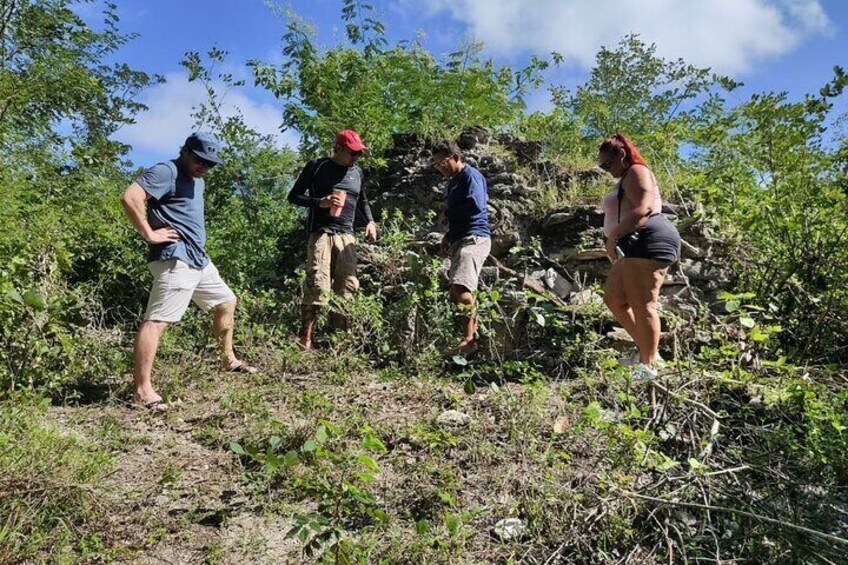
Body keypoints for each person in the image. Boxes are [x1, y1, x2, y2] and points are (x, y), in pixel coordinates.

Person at [121, 132, 257, 410]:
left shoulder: (197, 181)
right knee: (158, 321)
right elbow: (130, 196)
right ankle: (142, 390)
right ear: (184, 150)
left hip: (198, 259)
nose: (204, 167)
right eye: (199, 160)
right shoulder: (166, 171)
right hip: (176, 258)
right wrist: (149, 233)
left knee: (226, 301)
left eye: (210, 164)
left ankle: (227, 360)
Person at [598, 133, 681, 380]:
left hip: (647, 239)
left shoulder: (636, 170)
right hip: (632, 243)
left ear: (621, 155)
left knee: (643, 303)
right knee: (614, 298)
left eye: (607, 164)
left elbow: (644, 208)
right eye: (601, 166)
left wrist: (613, 238)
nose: (606, 170)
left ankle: (648, 367)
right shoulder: (625, 175)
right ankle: (649, 353)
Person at [287, 129, 378, 351]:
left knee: (347, 286)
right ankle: (305, 340)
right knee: (318, 283)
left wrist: (370, 222)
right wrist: (320, 202)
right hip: (321, 233)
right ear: (338, 149)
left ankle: (339, 342)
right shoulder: (317, 166)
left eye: (359, 154)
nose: (356, 157)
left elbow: (362, 200)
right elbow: (294, 196)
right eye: (352, 153)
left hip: (347, 234)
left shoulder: (357, 172)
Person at [431, 139, 491, 354]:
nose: (440, 167)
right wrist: (448, 237)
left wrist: (448, 213)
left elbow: (475, 204)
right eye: (436, 164)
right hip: (460, 238)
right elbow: (460, 216)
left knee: (461, 288)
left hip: (474, 238)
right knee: (458, 290)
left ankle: (470, 340)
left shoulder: (470, 175)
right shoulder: (453, 182)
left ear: (455, 157)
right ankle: (470, 338)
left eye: (443, 162)